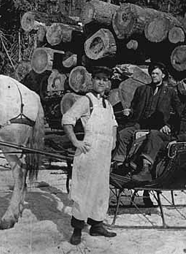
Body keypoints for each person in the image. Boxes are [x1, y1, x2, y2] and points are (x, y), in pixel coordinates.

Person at [62, 66, 118, 245]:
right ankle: (77, 229)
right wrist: (75, 142)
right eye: (98, 78)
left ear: (108, 83)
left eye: (105, 79)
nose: (101, 82)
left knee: (101, 189)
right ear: (92, 80)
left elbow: (114, 123)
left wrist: (114, 139)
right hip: (89, 152)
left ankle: (97, 225)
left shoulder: (107, 104)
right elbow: (67, 119)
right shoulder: (87, 100)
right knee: (84, 191)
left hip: (104, 154)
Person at [131, 73, 186, 182]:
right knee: (154, 134)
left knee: (156, 143)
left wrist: (178, 140)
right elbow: (176, 120)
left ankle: (144, 169)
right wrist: (168, 126)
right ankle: (143, 168)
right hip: (175, 137)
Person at [112, 62, 182, 165]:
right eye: (152, 73)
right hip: (140, 124)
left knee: (146, 140)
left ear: (163, 75)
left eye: (157, 74)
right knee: (124, 134)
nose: (154, 76)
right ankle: (119, 162)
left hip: (158, 127)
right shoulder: (142, 90)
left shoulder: (170, 92)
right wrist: (129, 112)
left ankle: (140, 165)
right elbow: (134, 108)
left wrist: (168, 125)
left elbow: (178, 113)